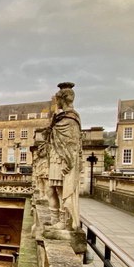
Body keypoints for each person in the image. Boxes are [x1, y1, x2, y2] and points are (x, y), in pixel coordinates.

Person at [46, 82, 82, 230]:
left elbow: (73, 143)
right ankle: (55, 219)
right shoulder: (60, 117)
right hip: (55, 156)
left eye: (58, 100)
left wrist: (68, 161)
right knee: (51, 190)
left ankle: (64, 221)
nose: (57, 103)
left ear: (63, 99)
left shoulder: (71, 118)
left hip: (63, 158)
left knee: (62, 190)